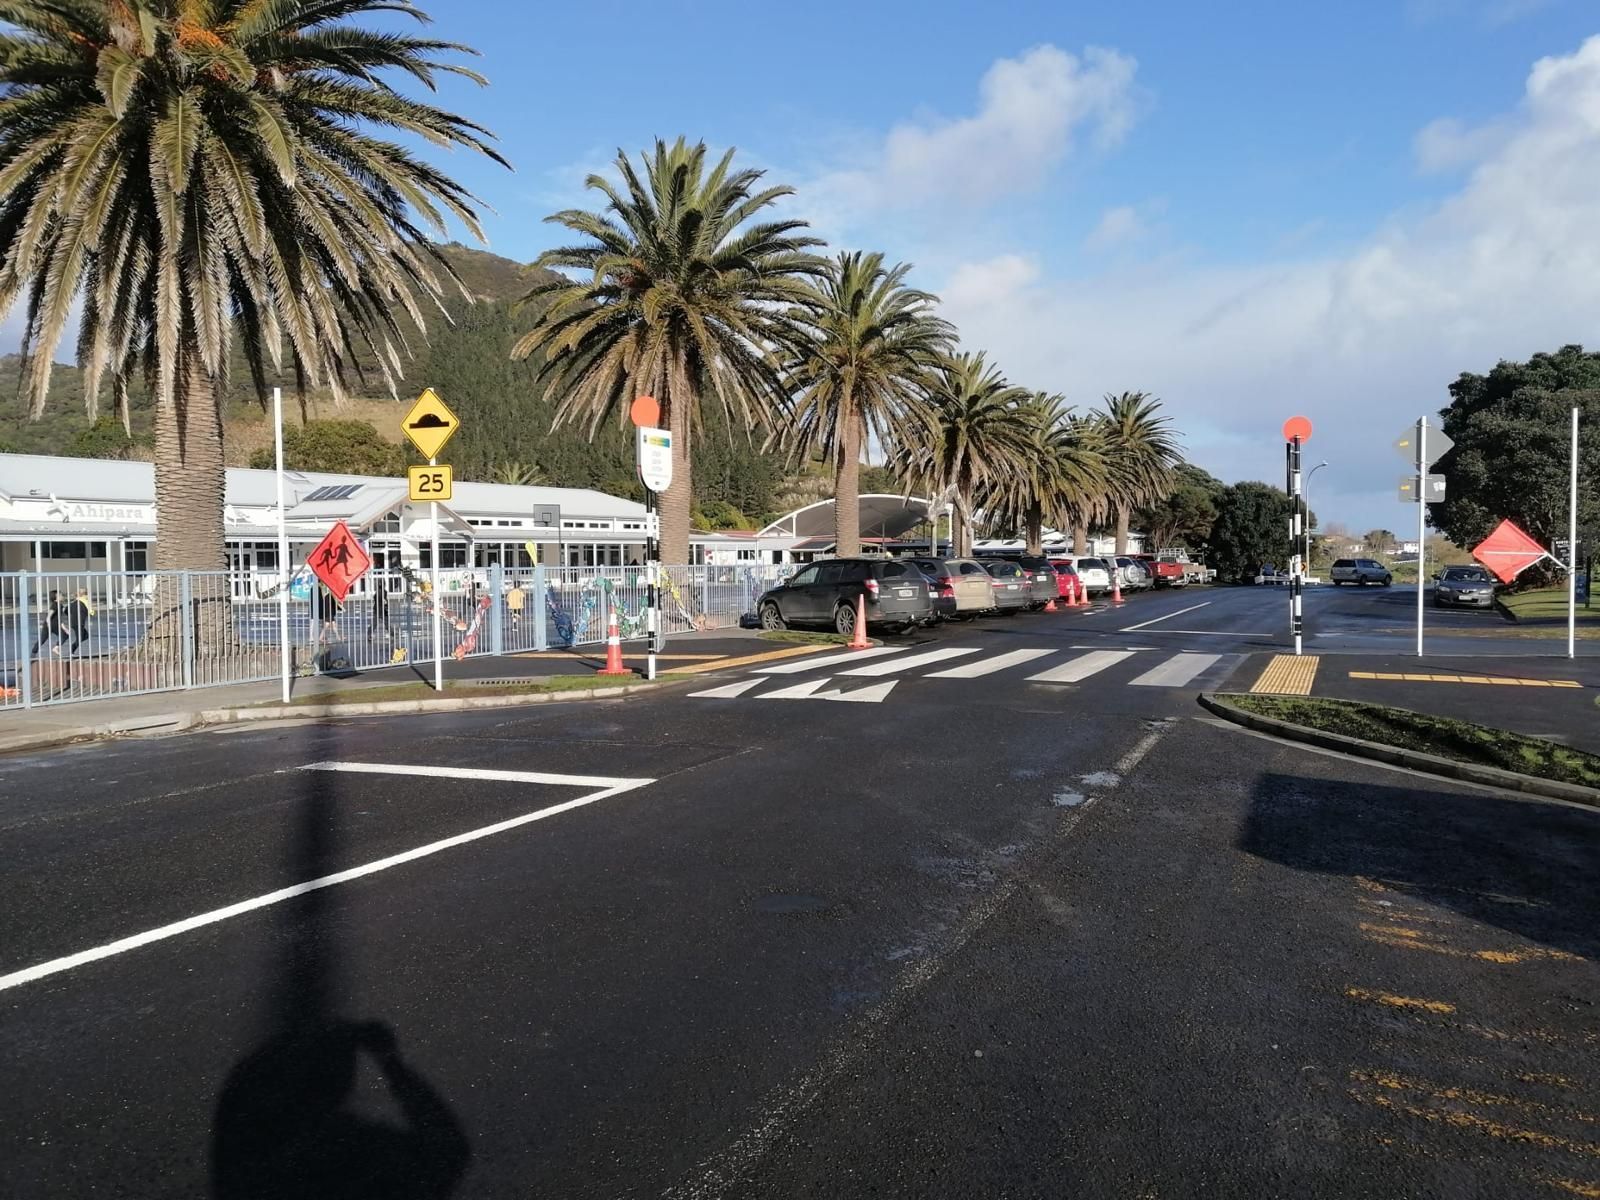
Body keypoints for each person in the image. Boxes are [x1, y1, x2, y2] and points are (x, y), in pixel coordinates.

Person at [32, 590, 67, 657]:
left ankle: (55, 648)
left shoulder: (60, 605)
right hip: (50, 625)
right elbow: (48, 616)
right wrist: (48, 625)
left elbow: (59, 618)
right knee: (43, 639)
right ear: (56, 597)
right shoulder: (54, 605)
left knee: (65, 635)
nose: (62, 596)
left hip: (54, 625)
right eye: (61, 595)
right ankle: (33, 653)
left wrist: (64, 628)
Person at [67, 588, 93, 655]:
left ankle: (72, 648)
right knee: (81, 637)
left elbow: (66, 610)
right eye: (87, 593)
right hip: (79, 622)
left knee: (85, 636)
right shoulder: (85, 601)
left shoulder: (74, 602)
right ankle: (72, 649)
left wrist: (72, 615)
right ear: (85, 594)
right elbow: (91, 612)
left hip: (74, 622)